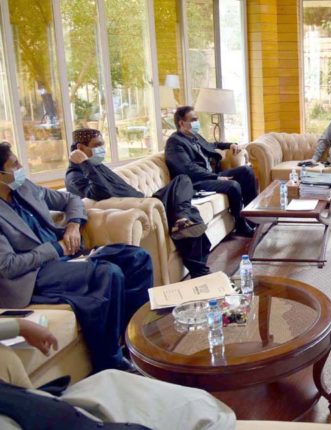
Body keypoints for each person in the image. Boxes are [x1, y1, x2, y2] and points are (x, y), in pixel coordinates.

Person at [0, 142, 152, 372]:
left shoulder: (24, 187)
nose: (21, 167)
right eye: (14, 164)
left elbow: (71, 199)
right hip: (34, 273)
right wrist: (56, 248)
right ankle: (110, 361)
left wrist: (73, 225)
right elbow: (8, 266)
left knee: (137, 258)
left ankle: (136, 341)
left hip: (68, 254)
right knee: (108, 274)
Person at [0, 318, 235, 429]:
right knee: (209, 413)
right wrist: (56, 249)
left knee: (122, 263)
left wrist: (20, 326)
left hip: (42, 403)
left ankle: (113, 354)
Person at [65, 128, 211, 278]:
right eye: (97, 145)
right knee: (188, 211)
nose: (102, 149)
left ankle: (182, 218)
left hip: (148, 201)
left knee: (182, 181)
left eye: (102, 144)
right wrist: (84, 163)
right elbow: (101, 192)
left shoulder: (96, 166)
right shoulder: (74, 177)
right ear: (80, 148)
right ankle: (198, 266)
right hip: (142, 208)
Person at [165, 106, 257, 236]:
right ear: (181, 123)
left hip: (210, 175)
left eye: (197, 119)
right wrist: (215, 177)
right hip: (196, 182)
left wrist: (230, 145)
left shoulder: (194, 136)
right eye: (193, 120)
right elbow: (188, 169)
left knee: (246, 171)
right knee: (233, 185)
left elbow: (212, 145)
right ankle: (240, 225)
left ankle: (253, 217)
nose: (197, 123)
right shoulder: (175, 142)